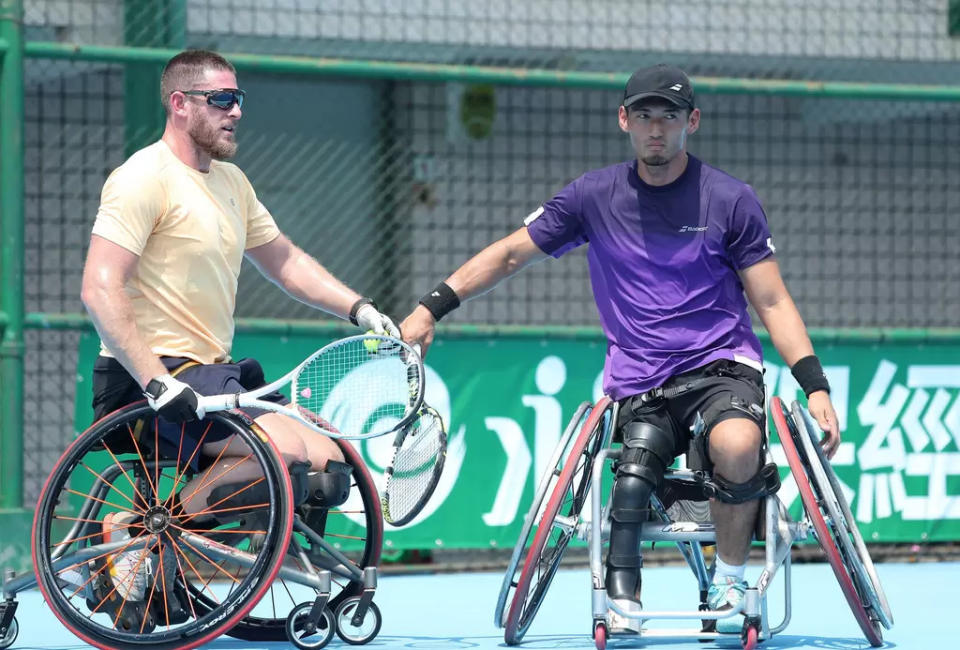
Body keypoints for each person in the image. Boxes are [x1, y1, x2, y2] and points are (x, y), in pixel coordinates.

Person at [400, 64, 840, 634]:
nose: (657, 129)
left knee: (738, 443)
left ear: (692, 122)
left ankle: (731, 580)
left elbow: (773, 302)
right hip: (640, 383)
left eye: (670, 117)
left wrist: (815, 383)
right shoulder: (591, 196)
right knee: (631, 479)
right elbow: (510, 254)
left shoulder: (731, 200)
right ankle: (623, 592)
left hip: (721, 367)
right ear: (624, 120)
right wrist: (431, 307)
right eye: (645, 116)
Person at [81, 49, 399, 605]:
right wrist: (156, 381)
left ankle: (164, 538)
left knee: (325, 462)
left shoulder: (231, 183)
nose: (236, 112)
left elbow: (285, 261)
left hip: (209, 375)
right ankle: (136, 532)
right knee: (281, 455)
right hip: (144, 382)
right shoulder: (140, 179)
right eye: (221, 99)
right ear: (180, 105)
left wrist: (359, 307)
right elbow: (98, 286)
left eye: (239, 99)